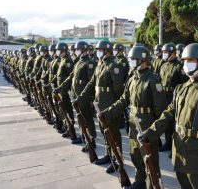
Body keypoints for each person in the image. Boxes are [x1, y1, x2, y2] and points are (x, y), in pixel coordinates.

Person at [141, 43, 198, 189]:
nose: (186, 64)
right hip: (180, 150)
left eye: (191, 61)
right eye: (184, 61)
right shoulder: (181, 88)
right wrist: (151, 132)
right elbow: (169, 114)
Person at [101, 45, 167, 189]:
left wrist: (153, 129)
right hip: (133, 124)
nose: (130, 61)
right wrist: (108, 111)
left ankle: (153, 185)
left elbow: (160, 109)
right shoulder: (132, 78)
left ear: (143, 60)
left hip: (147, 124)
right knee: (135, 155)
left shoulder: (153, 80)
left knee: (150, 160)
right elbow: (123, 99)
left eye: (133, 59)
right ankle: (140, 181)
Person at [74, 40, 125, 173]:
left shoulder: (114, 66)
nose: (98, 52)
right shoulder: (100, 64)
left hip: (110, 106)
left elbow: (119, 89)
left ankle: (117, 159)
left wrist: (115, 107)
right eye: (97, 50)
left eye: (100, 50)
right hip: (100, 104)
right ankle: (109, 155)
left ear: (107, 51)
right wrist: (81, 98)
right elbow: (91, 84)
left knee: (113, 133)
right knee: (105, 132)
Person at [58, 41, 97, 154]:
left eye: (78, 49)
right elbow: (71, 77)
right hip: (76, 96)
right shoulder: (79, 61)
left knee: (87, 119)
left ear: (84, 49)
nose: (76, 51)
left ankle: (91, 140)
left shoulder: (89, 63)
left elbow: (91, 82)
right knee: (81, 120)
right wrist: (61, 87)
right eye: (75, 49)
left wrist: (89, 97)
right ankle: (84, 137)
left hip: (84, 97)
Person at [159, 43, 186, 154]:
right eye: (163, 52)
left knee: (175, 122)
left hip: (175, 96)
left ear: (173, 53)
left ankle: (175, 147)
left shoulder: (179, 66)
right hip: (164, 96)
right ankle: (168, 143)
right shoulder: (164, 65)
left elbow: (184, 83)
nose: (164, 54)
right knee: (167, 121)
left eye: (166, 52)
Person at [54, 42, 80, 144]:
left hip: (65, 90)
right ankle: (67, 129)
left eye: (58, 50)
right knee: (63, 111)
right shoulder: (62, 60)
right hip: (61, 90)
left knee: (68, 112)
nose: (57, 52)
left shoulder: (68, 61)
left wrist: (63, 87)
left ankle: (72, 131)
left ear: (63, 50)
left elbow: (70, 77)